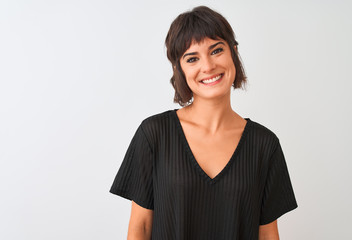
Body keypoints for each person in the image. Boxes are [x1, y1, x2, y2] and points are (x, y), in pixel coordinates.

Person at [110, 5, 298, 240]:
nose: (207, 66)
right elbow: (141, 228)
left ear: (234, 53)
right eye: (192, 58)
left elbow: (268, 234)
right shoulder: (154, 134)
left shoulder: (264, 145)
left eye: (216, 50)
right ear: (180, 68)